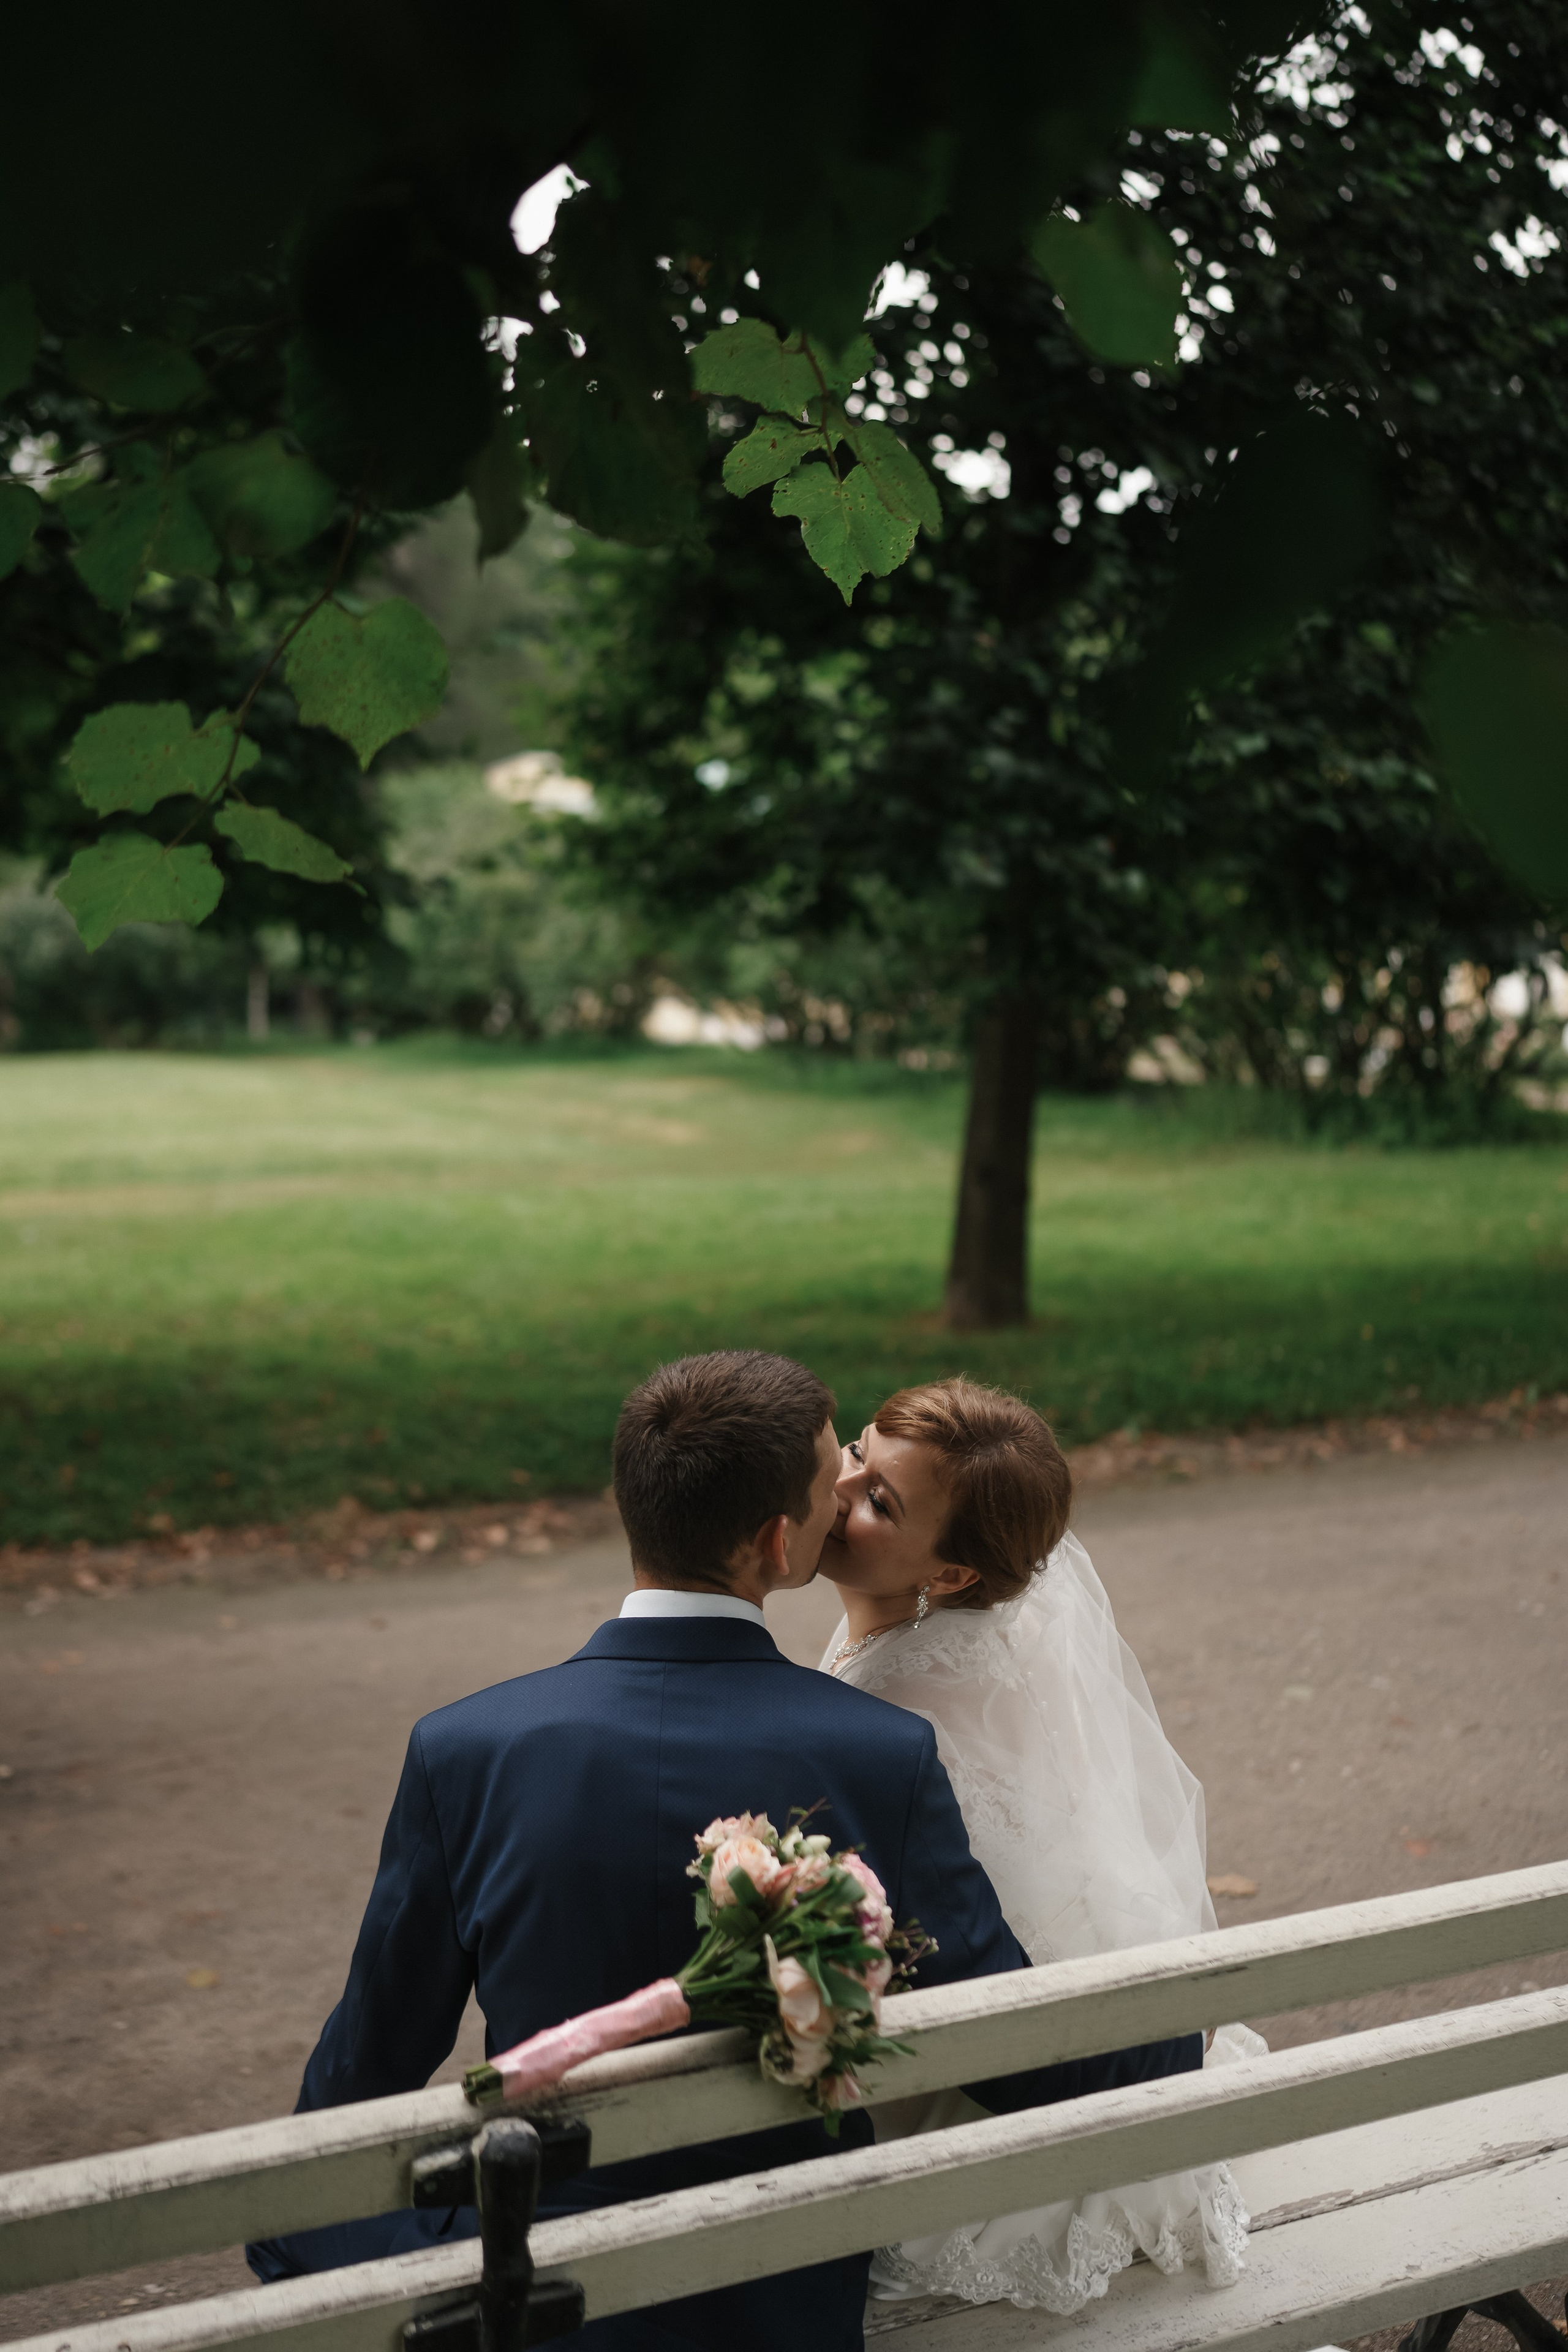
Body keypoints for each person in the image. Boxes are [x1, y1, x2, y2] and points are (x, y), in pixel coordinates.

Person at [249, 1349, 1202, 2351]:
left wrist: (347, 2257)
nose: (849, 1493)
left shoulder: (465, 1750)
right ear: (779, 1540)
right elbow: (1003, 2044)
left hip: (539, 2304)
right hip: (781, 2302)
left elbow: (366, 2068)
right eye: (839, 1473)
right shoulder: (879, 1754)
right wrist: (1184, 2038)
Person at [821, 1376, 1265, 2316]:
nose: (842, 1486)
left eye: (880, 1502)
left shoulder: (888, 1712)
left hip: (1015, 2094)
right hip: (1065, 2037)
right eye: (857, 1451)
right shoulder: (975, 1642)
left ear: (950, 1576)